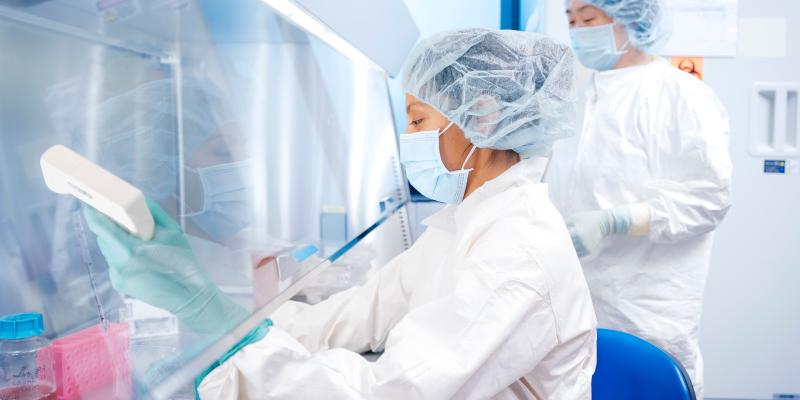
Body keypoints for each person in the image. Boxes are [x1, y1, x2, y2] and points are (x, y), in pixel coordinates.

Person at [84, 28, 597, 399]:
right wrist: (237, 333)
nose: (409, 141)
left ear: (482, 116)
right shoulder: (469, 220)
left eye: (419, 121)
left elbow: (391, 393)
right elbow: (365, 310)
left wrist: (220, 328)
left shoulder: (518, 252)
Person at [547, 0, 733, 397]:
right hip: (580, 302)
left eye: (589, 18)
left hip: (648, 305)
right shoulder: (582, 96)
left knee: (650, 383)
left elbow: (709, 198)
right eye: (571, 20)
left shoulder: (680, 95)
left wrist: (616, 220)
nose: (578, 30)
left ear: (632, 20)